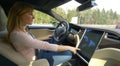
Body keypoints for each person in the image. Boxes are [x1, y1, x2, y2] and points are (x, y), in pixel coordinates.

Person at [7, 2, 79, 66]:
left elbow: (30, 41)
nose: (34, 17)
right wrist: (70, 48)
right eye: (30, 14)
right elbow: (45, 46)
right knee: (68, 53)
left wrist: (45, 37)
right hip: (39, 57)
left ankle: (67, 42)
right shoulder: (17, 35)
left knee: (52, 38)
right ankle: (70, 44)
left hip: (36, 50)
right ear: (19, 15)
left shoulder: (20, 30)